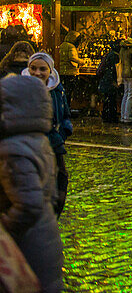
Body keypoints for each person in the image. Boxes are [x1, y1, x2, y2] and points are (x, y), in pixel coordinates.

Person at [0, 74, 63, 293]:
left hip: (27, 247)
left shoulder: (13, 149)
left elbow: (29, 204)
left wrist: (6, 228)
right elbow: (50, 193)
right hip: (46, 238)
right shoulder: (38, 141)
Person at [23, 52, 72, 215]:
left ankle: (51, 217)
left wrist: (64, 132)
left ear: (50, 71)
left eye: (42, 69)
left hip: (53, 143)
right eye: (33, 68)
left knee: (60, 181)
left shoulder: (57, 89)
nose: (37, 73)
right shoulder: (20, 88)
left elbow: (65, 113)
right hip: (29, 145)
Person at [95, 41, 121, 122]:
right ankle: (111, 117)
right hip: (109, 81)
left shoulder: (109, 54)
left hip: (105, 80)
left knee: (107, 99)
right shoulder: (115, 56)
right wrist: (114, 82)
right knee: (111, 99)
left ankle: (106, 116)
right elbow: (112, 70)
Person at [117, 37, 132, 124]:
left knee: (126, 94)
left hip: (124, 73)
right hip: (131, 73)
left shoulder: (122, 49)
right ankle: (128, 116)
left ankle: (123, 115)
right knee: (131, 95)